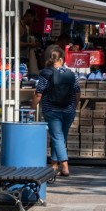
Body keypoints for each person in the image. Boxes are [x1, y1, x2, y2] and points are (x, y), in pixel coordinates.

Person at [33, 46, 80, 176]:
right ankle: (54, 165)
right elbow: (77, 92)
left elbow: (38, 94)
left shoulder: (45, 73)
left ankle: (64, 166)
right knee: (60, 137)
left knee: (57, 137)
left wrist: (32, 108)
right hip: (68, 110)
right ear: (62, 59)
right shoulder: (71, 74)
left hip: (52, 111)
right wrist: (73, 106)